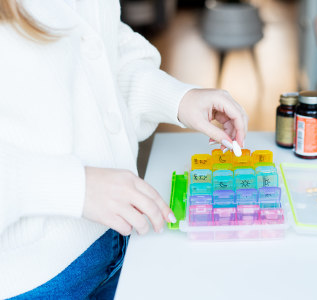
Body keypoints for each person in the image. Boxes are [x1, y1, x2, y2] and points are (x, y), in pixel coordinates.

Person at [0, 0, 248, 298]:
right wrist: (75, 188)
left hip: (117, 241)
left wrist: (177, 98)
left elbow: (102, 43)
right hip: (35, 280)